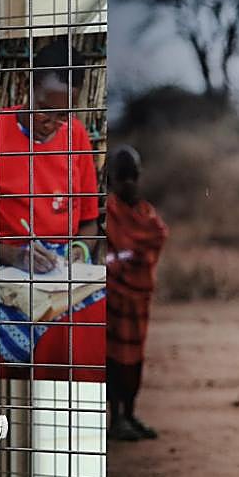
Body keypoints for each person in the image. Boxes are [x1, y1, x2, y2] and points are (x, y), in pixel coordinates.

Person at [0, 38, 105, 377]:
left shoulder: (76, 137)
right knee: (46, 328)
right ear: (25, 86)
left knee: (99, 319)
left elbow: (90, 222)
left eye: (63, 114)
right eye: (44, 108)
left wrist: (78, 250)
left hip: (63, 268)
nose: (51, 122)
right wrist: (15, 255)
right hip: (1, 264)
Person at [106, 145, 168, 441]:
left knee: (135, 361)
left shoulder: (145, 213)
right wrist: (123, 260)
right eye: (122, 176)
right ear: (111, 179)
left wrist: (126, 258)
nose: (128, 182)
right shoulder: (107, 212)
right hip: (113, 300)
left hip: (137, 298)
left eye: (133, 176)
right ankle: (115, 418)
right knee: (114, 359)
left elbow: (157, 237)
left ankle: (130, 414)